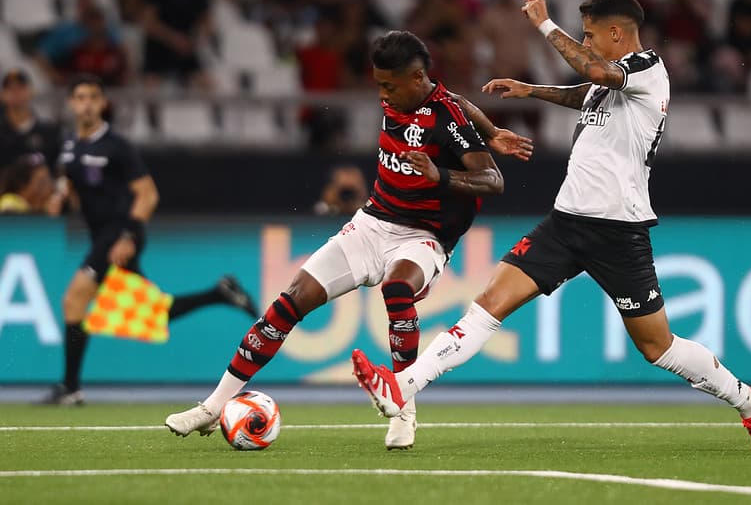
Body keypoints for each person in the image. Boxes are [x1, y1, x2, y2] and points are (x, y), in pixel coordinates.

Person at [351, 0, 751, 454]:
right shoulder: (614, 81)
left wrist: (545, 25)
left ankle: (750, 400)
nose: (587, 42)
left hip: (617, 230)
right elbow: (585, 93)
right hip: (565, 222)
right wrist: (532, 90)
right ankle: (402, 387)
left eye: (591, 35)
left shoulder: (648, 68)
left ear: (617, 33)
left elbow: (595, 74)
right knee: (488, 304)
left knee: (657, 347)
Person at [165, 30, 533, 450]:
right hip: (371, 222)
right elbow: (458, 99)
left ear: (416, 78)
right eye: (379, 84)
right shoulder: (408, 96)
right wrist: (490, 128)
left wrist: (441, 175)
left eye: (389, 86)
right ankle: (213, 406)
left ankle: (403, 412)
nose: (383, 94)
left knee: (397, 289)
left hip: (424, 236)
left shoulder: (444, 119)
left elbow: (493, 180)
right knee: (290, 300)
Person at [41, 74, 259, 405]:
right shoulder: (69, 147)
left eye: (93, 97)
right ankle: (219, 293)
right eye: (80, 97)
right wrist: (59, 200)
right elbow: (71, 189)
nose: (87, 104)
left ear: (103, 103)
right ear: (71, 103)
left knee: (74, 299)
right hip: (100, 236)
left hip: (120, 233)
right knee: (153, 312)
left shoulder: (117, 146)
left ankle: (70, 388)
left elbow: (148, 195)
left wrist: (128, 236)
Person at [0, 69, 62, 176]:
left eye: (21, 87)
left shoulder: (49, 132)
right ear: (2, 95)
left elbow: (55, 170)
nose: (16, 93)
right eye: (10, 89)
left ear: (32, 91)